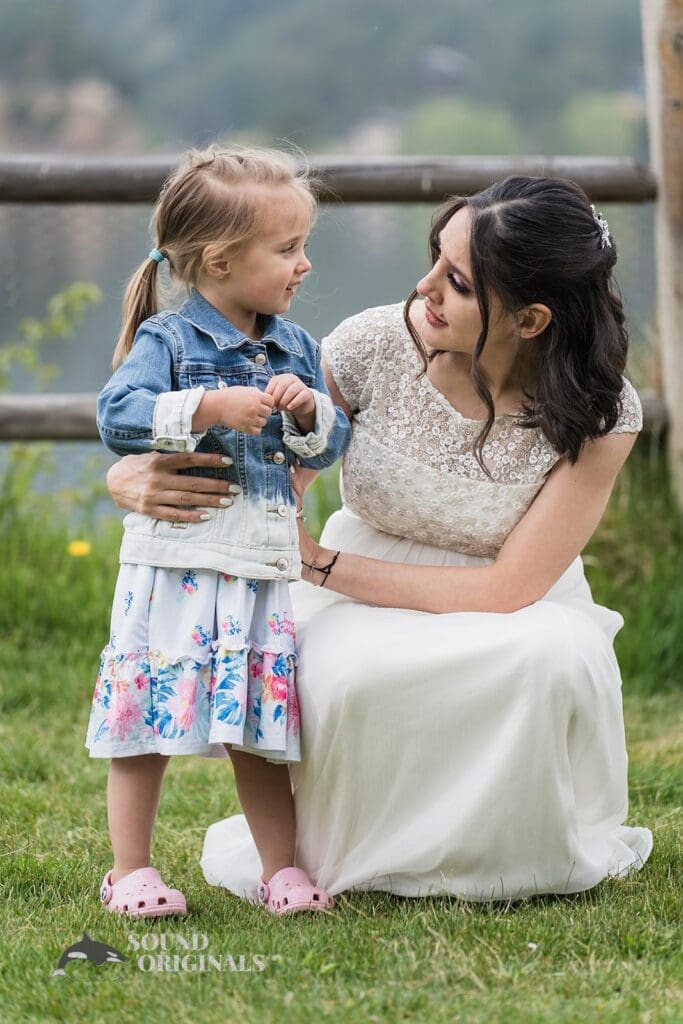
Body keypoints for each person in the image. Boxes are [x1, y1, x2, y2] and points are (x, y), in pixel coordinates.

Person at [106, 175, 653, 904]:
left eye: (454, 281)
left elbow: (508, 589)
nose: (422, 286)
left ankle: (496, 851)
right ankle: (324, 854)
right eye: (434, 257)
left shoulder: (600, 410)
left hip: (505, 597)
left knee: (540, 662)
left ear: (529, 321)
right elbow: (265, 462)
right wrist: (129, 480)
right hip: (353, 577)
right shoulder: (368, 343)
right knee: (341, 671)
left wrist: (318, 562)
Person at [87, 145, 351, 918]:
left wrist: (308, 414)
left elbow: (329, 447)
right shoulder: (167, 343)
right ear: (221, 260)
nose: (303, 264)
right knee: (144, 722)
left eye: (303, 246)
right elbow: (117, 416)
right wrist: (205, 410)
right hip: (175, 565)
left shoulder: (297, 348)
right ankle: (129, 870)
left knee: (263, 728)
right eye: (287, 248)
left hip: (256, 570)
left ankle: (281, 870)